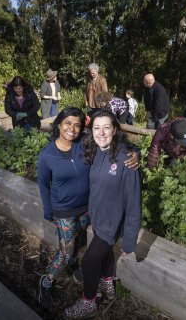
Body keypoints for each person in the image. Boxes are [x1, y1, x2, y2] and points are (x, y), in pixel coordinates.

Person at [37, 108, 140, 310]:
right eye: (67, 123)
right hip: (64, 210)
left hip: (86, 210)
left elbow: (118, 143)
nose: (72, 128)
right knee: (65, 252)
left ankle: (88, 273)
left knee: (80, 244)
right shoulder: (47, 154)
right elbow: (42, 183)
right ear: (58, 124)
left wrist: (136, 153)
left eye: (77, 124)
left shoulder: (85, 144)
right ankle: (46, 282)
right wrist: (48, 210)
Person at [63, 111, 142, 319]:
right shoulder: (94, 151)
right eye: (97, 128)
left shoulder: (126, 160)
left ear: (115, 129)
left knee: (88, 262)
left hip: (112, 223)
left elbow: (134, 204)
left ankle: (89, 302)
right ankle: (107, 283)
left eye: (106, 127)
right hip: (97, 219)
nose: (102, 132)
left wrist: (130, 243)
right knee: (106, 254)